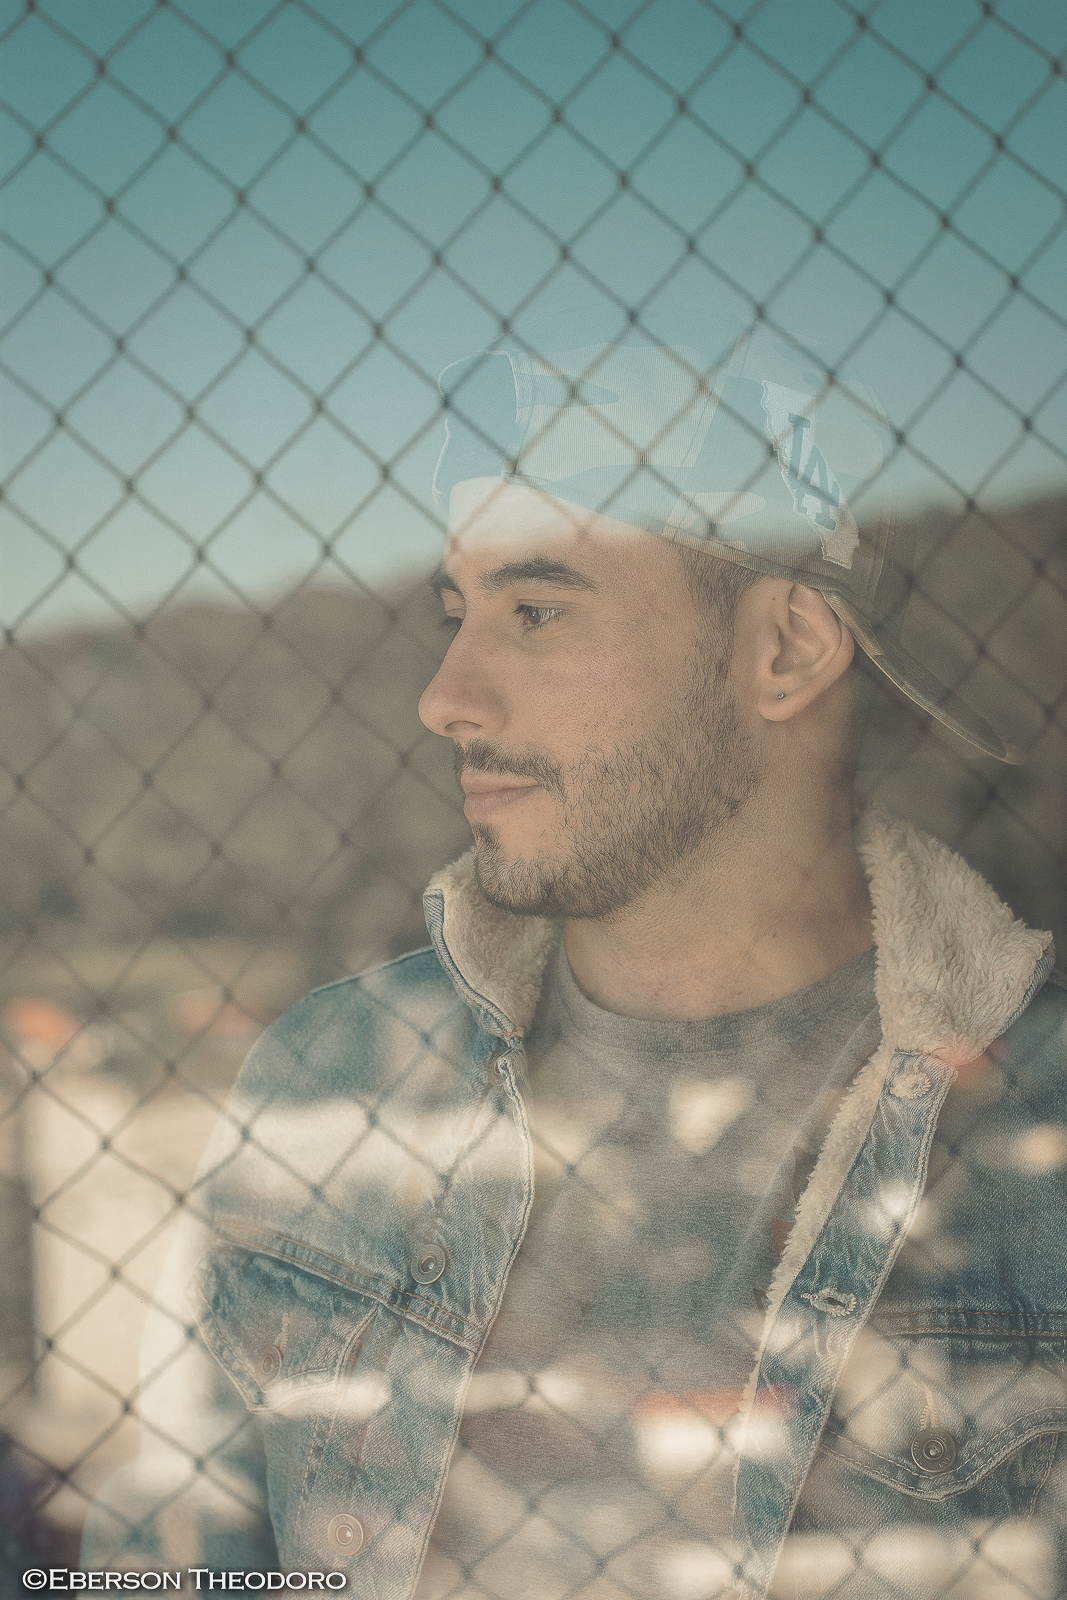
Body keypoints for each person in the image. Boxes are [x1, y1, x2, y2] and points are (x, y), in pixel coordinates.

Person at [83, 320, 1067, 1600]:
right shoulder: (328, 1078)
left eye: (535, 612)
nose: (445, 697)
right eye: (457, 614)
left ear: (782, 649)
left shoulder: (1032, 1120)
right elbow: (179, 1556)